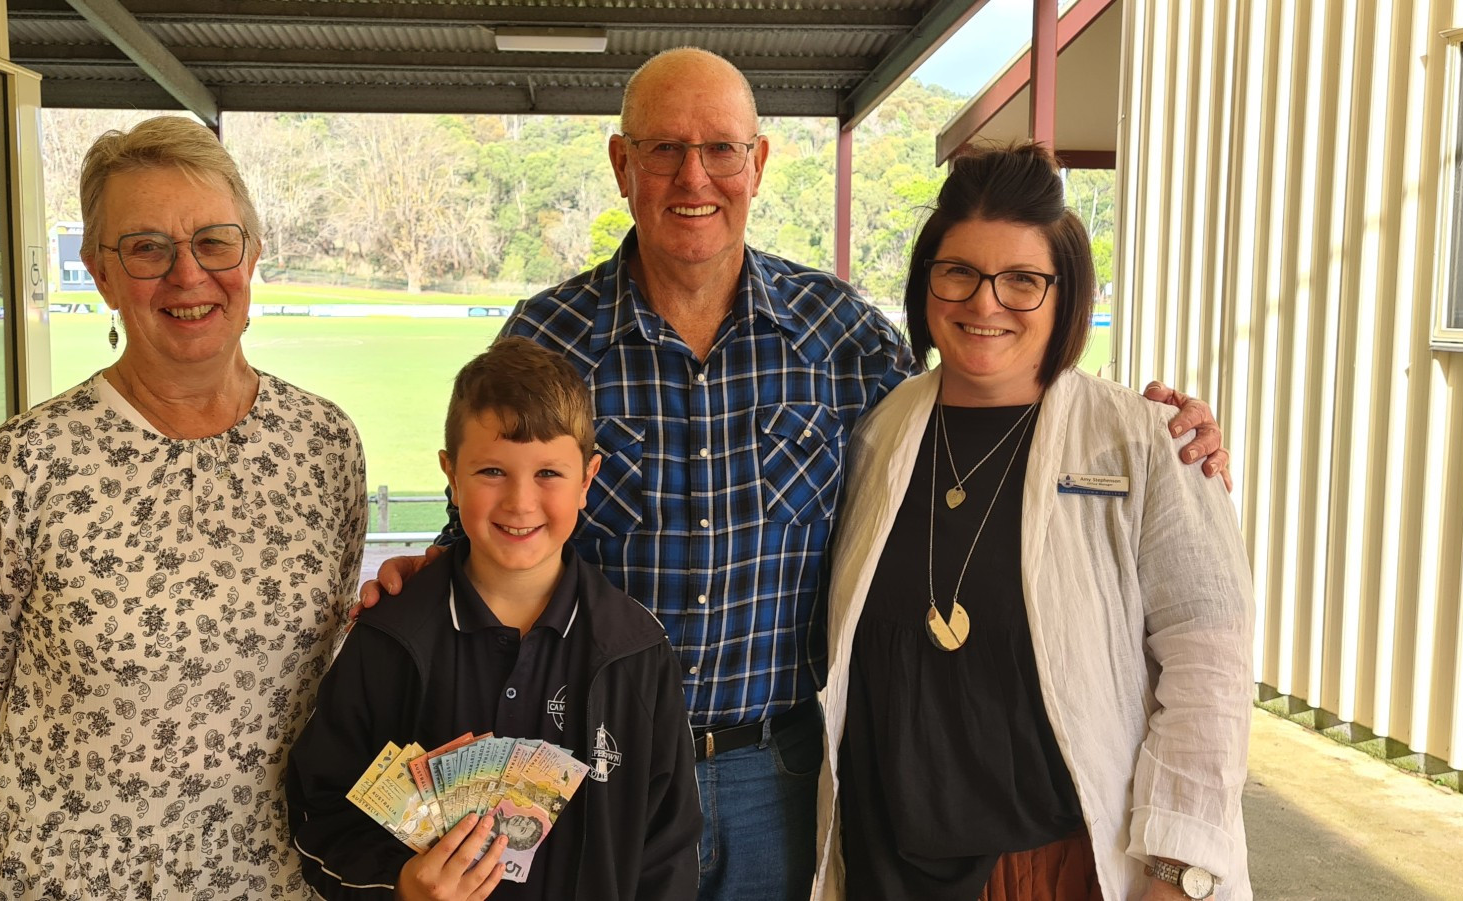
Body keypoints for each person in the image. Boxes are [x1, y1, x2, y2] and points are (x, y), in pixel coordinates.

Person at [364, 48, 1231, 901]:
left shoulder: (842, 337)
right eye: (663, 148)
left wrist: (1159, 432)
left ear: (759, 163)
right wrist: (427, 568)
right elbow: (492, 514)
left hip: (775, 774)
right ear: (623, 165)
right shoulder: (549, 335)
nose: (692, 176)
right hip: (599, 764)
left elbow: (983, 402)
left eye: (720, 150)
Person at [0, 116, 366, 900]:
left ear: (252, 253)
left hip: (263, 866)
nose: (188, 275)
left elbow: (322, 656)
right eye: (147, 248)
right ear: (101, 273)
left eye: (214, 242)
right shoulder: (24, 462)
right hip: (63, 873)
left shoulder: (323, 445)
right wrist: (92, 812)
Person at [812, 143, 1253, 901]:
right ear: (926, 286)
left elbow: (1210, 666)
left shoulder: (1147, 440)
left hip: (1056, 862)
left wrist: (1178, 869)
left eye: (1023, 280)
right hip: (886, 860)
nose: (985, 303)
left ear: (1066, 294)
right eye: (959, 273)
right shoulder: (880, 431)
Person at [288, 337, 701, 901]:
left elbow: (669, 849)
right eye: (491, 471)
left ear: (588, 479)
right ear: (450, 476)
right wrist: (401, 881)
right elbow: (320, 811)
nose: (520, 502)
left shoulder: (635, 651)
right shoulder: (390, 639)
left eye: (549, 475)